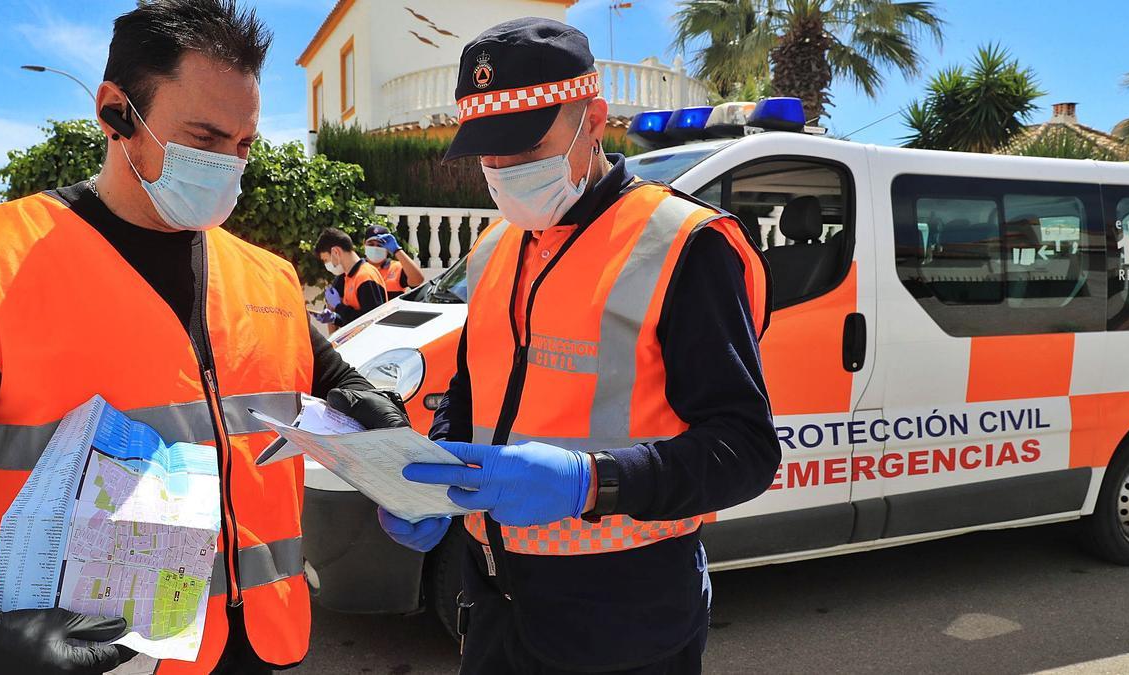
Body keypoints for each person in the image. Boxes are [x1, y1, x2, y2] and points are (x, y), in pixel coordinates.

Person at [0, 2, 408, 674]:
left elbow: (330, 381)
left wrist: (371, 410)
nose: (228, 164)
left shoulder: (267, 279)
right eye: (204, 138)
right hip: (76, 659)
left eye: (244, 144)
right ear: (114, 113)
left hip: (267, 648)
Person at [375, 18, 781, 674]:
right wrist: (435, 485)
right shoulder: (493, 249)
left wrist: (591, 480)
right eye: (489, 151)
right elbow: (475, 391)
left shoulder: (685, 243)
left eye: (525, 146)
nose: (503, 169)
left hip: (626, 624)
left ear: (593, 119)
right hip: (493, 608)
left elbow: (747, 450)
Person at [314, 227, 388, 328]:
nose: (327, 264)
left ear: (336, 252)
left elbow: (371, 321)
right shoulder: (349, 277)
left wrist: (339, 306)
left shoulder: (365, 276)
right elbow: (355, 320)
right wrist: (335, 319)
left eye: (326, 260)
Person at [363, 224, 425, 299]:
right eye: (371, 244)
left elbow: (418, 280)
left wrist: (397, 250)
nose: (375, 248)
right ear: (364, 244)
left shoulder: (397, 268)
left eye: (380, 244)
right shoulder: (358, 268)